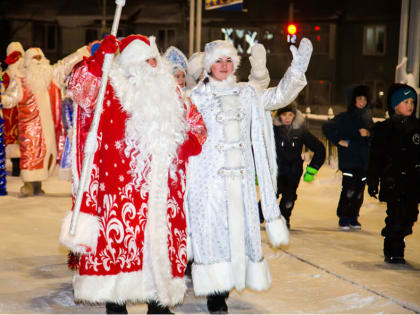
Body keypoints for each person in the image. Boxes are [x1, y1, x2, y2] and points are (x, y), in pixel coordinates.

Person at [59, 34, 206, 314]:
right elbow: (79, 89)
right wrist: (100, 57)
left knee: (159, 248)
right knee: (119, 245)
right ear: (131, 64)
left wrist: (185, 146)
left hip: (163, 191)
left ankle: (159, 304)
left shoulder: (172, 93)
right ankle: (116, 304)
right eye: (146, 60)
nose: (154, 64)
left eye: (155, 59)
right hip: (119, 191)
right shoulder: (110, 89)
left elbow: (197, 126)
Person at [186, 38, 312, 313]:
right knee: (211, 237)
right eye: (218, 60)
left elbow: (278, 96)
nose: (224, 65)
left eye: (228, 60)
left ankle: (222, 289)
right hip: (207, 184)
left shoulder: (246, 94)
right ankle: (216, 296)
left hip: (239, 185)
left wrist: (297, 69)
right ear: (208, 65)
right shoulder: (194, 98)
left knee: (234, 239)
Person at [1, 45, 90, 196]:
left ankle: (38, 185)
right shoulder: (21, 79)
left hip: (49, 125)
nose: (38, 62)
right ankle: (29, 184)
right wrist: (3, 98)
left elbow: (66, 64)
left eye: (40, 58)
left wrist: (83, 52)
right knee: (31, 153)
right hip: (30, 126)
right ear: (27, 61)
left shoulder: (51, 75)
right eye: (34, 58)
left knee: (46, 153)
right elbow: (11, 97)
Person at [367, 83, 419, 264]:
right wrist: (373, 179)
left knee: (409, 216)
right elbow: (376, 157)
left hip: (413, 183)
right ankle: (393, 249)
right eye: (406, 101)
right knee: (395, 217)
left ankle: (399, 237)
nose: (410, 105)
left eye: (412, 101)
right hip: (394, 181)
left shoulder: (417, 127)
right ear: (396, 105)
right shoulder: (385, 129)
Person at [322, 85, 373, 231]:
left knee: (359, 192)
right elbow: (327, 128)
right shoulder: (344, 118)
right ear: (352, 100)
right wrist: (339, 141)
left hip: (363, 162)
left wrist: (368, 134)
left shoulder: (368, 120)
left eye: (364, 99)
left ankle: (353, 217)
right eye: (359, 99)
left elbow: (376, 137)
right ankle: (344, 216)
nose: (362, 102)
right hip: (350, 160)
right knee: (349, 190)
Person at [272, 103, 326, 229]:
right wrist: (258, 171)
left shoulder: (300, 131)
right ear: (279, 116)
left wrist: (312, 170)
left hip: (293, 171)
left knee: (289, 198)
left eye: (290, 115)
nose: (287, 118)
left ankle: (284, 219)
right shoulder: (272, 130)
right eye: (284, 114)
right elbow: (259, 148)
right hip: (275, 170)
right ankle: (260, 215)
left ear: (295, 116)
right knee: (271, 195)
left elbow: (320, 149)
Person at [1, 42, 24, 176]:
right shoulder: (6, 75)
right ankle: (14, 167)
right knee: (11, 140)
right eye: (15, 56)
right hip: (10, 112)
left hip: (24, 112)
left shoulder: (25, 74)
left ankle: (20, 166)